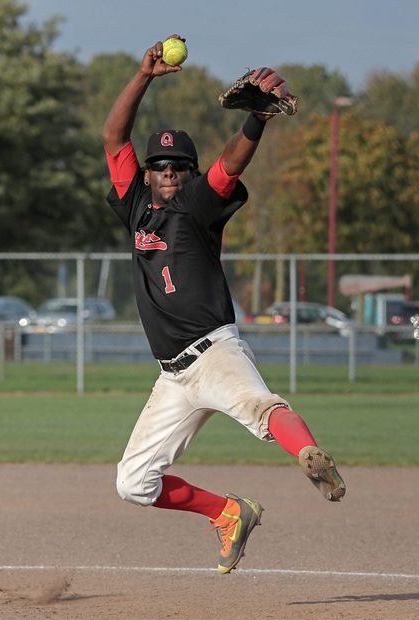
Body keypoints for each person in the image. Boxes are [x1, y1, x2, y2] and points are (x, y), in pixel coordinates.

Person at [101, 36, 346, 574]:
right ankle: (230, 513)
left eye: (177, 166)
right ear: (146, 172)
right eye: (159, 163)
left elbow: (228, 166)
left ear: (187, 175)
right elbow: (113, 135)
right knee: (133, 483)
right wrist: (142, 76)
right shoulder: (135, 207)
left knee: (260, 406)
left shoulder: (196, 206)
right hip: (173, 377)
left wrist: (256, 120)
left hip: (213, 351)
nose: (168, 171)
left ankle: (309, 456)